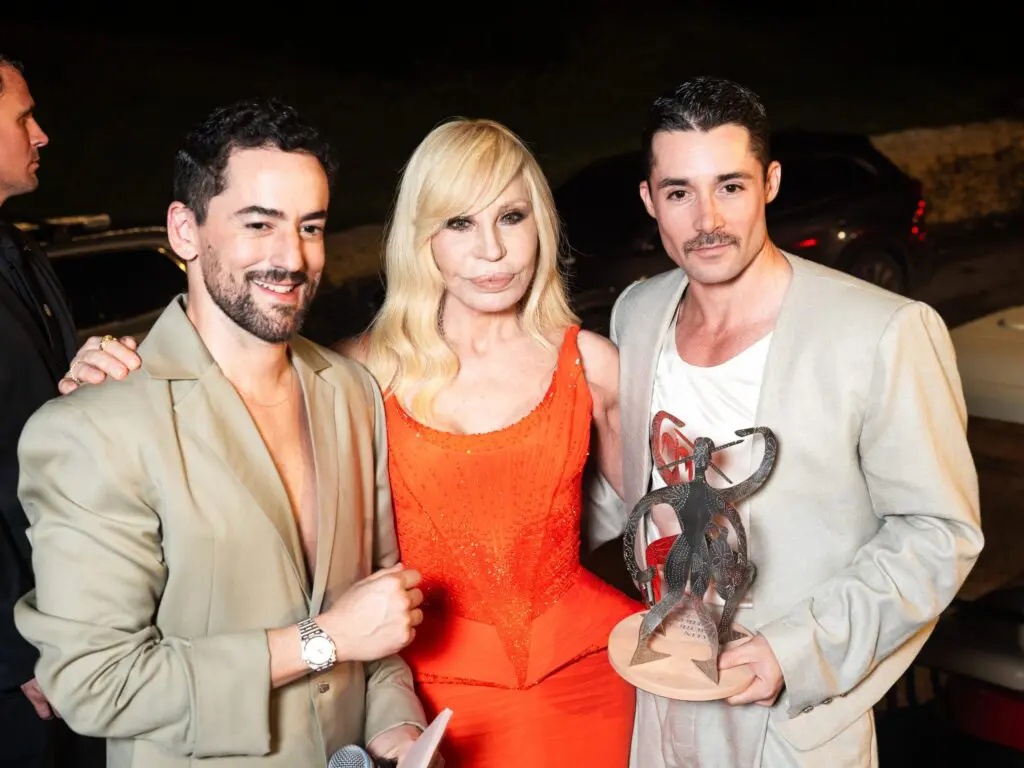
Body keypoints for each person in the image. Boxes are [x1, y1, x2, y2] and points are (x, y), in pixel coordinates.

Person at [13, 97, 429, 767]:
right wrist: (322, 639)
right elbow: (95, 684)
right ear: (185, 231)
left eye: (311, 227)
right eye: (258, 224)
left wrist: (396, 728)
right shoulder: (94, 425)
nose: (292, 258)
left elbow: (374, 617)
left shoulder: (350, 394)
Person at [595, 76, 984, 766]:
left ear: (770, 182)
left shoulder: (883, 330)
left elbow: (938, 533)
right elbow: (627, 485)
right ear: (650, 199)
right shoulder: (638, 312)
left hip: (792, 719)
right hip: (659, 699)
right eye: (680, 192)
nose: (706, 218)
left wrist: (795, 651)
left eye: (731, 186)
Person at [337, 118, 641, 765]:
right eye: (459, 223)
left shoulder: (592, 364)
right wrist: (109, 370)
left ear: (542, 224)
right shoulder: (358, 373)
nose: (493, 251)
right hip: (426, 707)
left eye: (511, 216)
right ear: (421, 239)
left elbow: (669, 539)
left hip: (595, 675)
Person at [0, 52, 137, 768]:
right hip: (20, 671)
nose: (43, 133)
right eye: (24, 117)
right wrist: (16, 649)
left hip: (74, 629)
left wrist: (84, 379)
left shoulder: (20, 253)